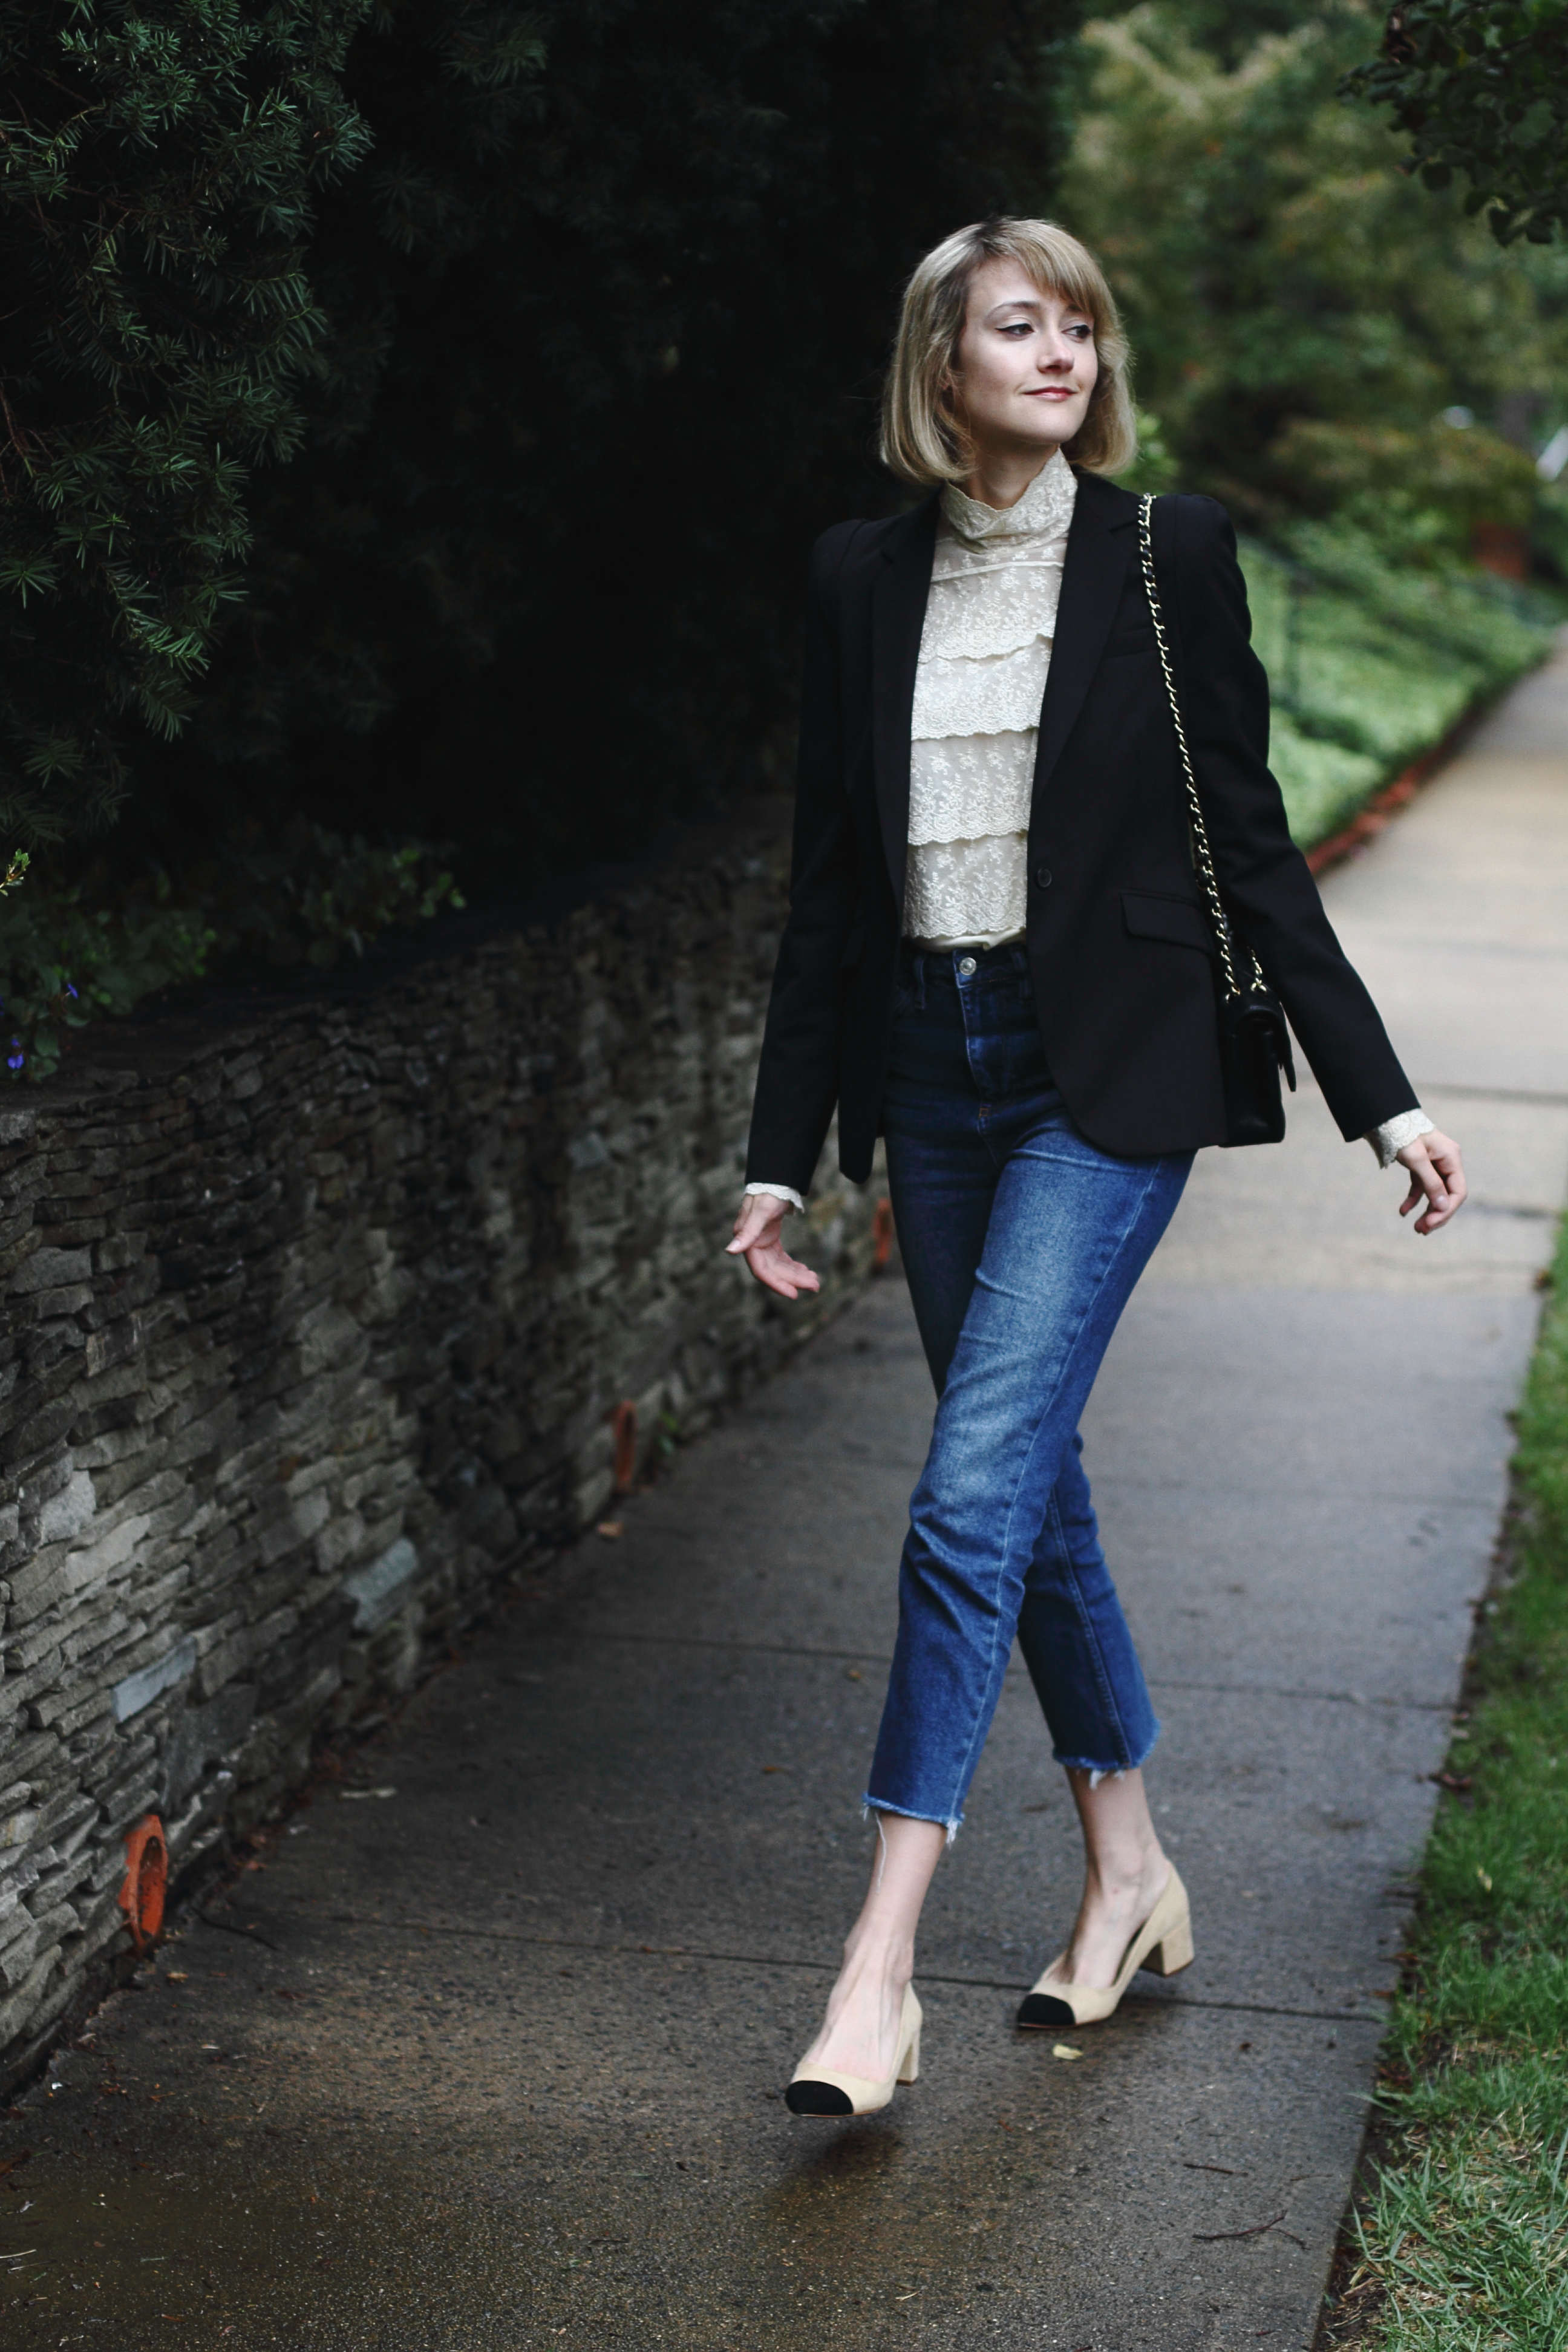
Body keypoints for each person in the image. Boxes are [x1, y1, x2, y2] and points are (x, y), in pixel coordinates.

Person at [726, 217, 1467, 2120]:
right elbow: (829, 886)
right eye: (1017, 323)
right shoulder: (857, 578)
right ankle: (1130, 1872)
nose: (1061, 350)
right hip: (932, 1071)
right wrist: (777, 1157)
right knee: (1029, 1479)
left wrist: (1378, 1092)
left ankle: (874, 1972)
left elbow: (1253, 833)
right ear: (942, 362)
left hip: (1104, 1088)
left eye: (1080, 325)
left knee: (966, 1495)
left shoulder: (1164, 552)